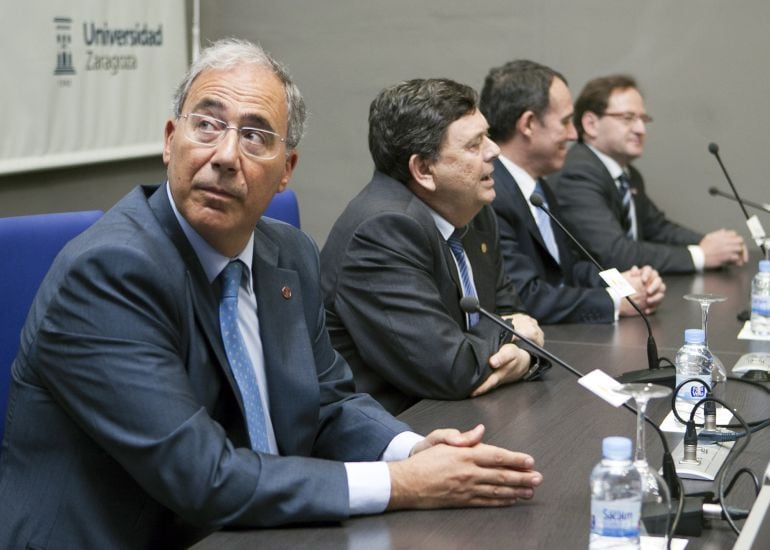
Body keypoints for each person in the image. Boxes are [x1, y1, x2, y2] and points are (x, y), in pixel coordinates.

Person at [0, 40, 542, 548]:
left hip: (253, 528)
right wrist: (402, 482)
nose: (226, 154)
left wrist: (413, 449)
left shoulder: (288, 254)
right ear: (170, 142)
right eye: (207, 125)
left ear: (286, 171)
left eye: (256, 135)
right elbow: (203, 476)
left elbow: (327, 400)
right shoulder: (110, 272)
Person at [320, 78, 549, 416]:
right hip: (397, 428)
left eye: (486, 135)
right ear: (424, 170)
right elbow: (452, 368)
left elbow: (510, 311)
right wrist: (516, 335)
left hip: (463, 411)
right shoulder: (382, 230)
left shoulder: (474, 211)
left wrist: (525, 355)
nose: (494, 150)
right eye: (474, 145)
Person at [479, 61, 665, 324]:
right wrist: (614, 301)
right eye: (566, 121)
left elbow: (573, 267)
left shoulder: (538, 186)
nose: (573, 134)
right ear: (529, 124)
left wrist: (623, 284)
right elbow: (525, 296)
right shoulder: (489, 194)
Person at [553, 74, 748, 274]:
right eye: (628, 118)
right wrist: (701, 255)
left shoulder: (629, 175)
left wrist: (712, 244)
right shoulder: (577, 173)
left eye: (643, 119)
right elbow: (614, 254)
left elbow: (658, 228)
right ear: (591, 124)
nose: (640, 129)